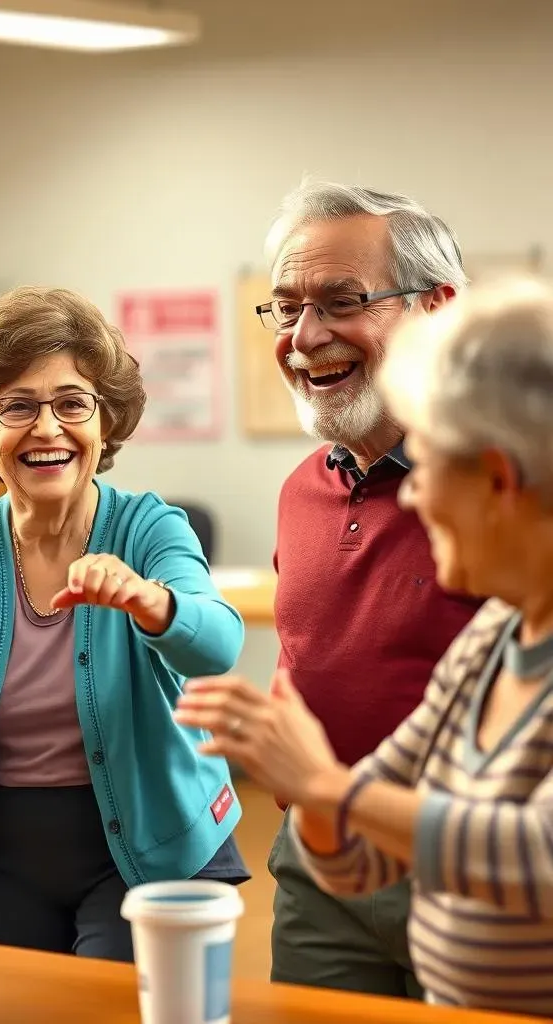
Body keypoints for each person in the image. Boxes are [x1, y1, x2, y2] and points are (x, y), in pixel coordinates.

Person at [174, 275, 553, 1017]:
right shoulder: (490, 640)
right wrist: (312, 786)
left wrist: (327, 787)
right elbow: (358, 855)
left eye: (430, 465)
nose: (408, 495)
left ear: (500, 480)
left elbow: (538, 855)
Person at [0, 286, 249, 962]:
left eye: (71, 402)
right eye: (17, 406)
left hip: (150, 844)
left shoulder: (148, 526)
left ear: (105, 419)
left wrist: (151, 602)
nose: (48, 427)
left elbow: (218, 645)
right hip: (2, 857)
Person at [240, 181, 485, 998]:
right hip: (317, 862)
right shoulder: (300, 490)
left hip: (471, 876)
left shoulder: (508, 491)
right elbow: (311, 652)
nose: (305, 337)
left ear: (438, 309)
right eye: (284, 308)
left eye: (342, 301)